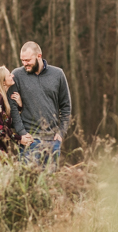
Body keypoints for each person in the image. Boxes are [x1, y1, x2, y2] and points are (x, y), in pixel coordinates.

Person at [8, 41, 71, 170]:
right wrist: (21, 133)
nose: (24, 63)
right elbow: (13, 107)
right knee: (28, 184)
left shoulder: (58, 74)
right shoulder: (17, 75)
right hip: (30, 140)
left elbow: (66, 106)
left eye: (27, 60)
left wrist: (61, 132)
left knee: (50, 183)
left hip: (52, 140)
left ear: (39, 56)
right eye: (22, 60)